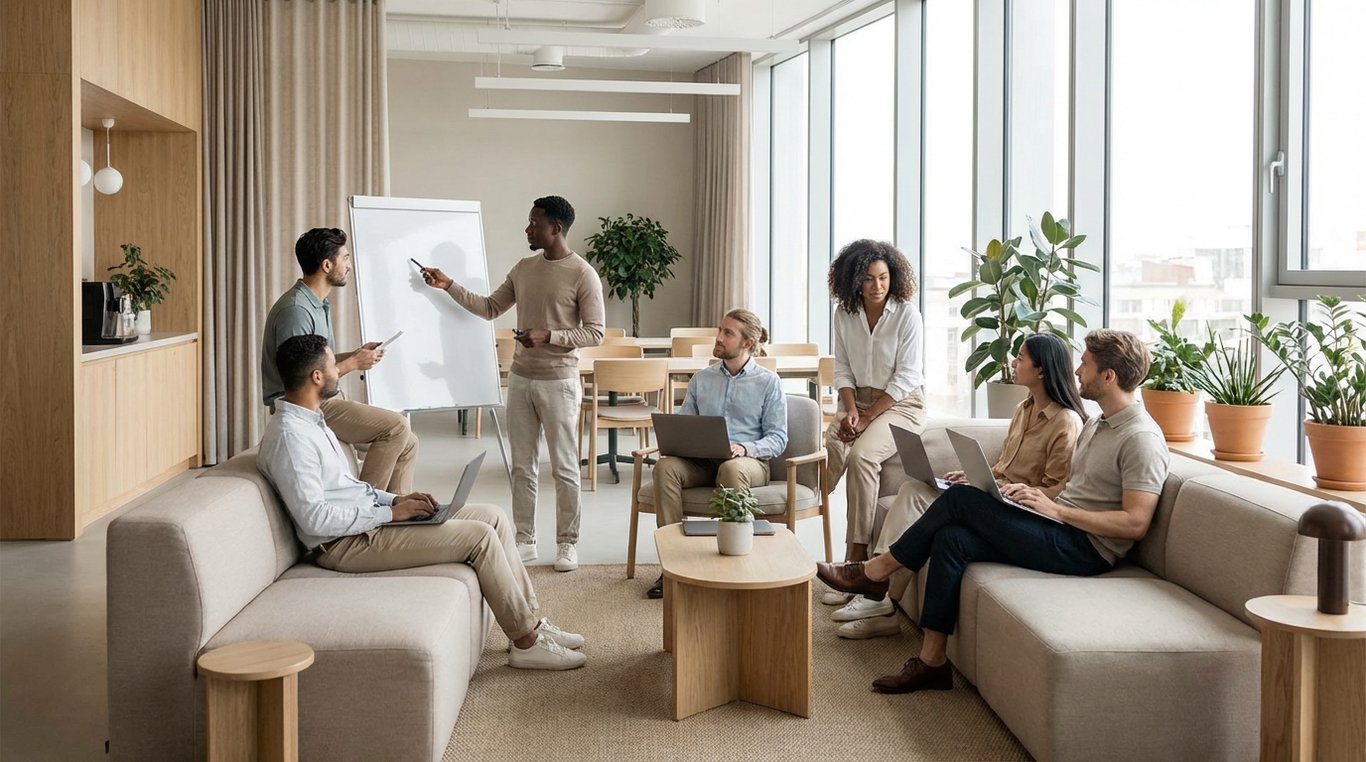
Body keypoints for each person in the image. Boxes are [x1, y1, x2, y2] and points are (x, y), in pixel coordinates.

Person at [817, 329, 1169, 694]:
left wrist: (1058, 511)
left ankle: (874, 573)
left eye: (1085, 364)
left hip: (1085, 548)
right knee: (951, 538)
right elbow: (1076, 487)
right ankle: (932, 662)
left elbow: (1135, 523)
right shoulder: (1099, 423)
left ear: (1108, 376)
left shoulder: (1140, 438)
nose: (1077, 371)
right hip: (1058, 525)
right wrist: (1034, 499)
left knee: (960, 501)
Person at [257, 334, 587, 671]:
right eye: (331, 366)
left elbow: (346, 488)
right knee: (479, 538)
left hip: (366, 523)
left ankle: (531, 621)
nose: (336, 371)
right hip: (344, 544)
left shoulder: (312, 421)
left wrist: (397, 499)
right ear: (315, 377)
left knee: (494, 517)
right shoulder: (290, 438)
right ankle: (526, 644)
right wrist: (389, 513)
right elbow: (315, 519)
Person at [839, 332, 1086, 639]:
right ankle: (878, 592)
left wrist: (1006, 489)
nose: (1013, 362)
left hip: (1023, 513)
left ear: (1041, 369)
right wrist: (977, 477)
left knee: (951, 513)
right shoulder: (1023, 409)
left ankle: (876, 587)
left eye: (1021, 357)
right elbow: (1003, 468)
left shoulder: (1066, 422)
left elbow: (1056, 490)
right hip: (994, 496)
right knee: (913, 489)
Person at [420, 196, 604, 573]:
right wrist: (449, 284)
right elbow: (489, 307)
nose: (527, 229)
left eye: (534, 223)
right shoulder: (524, 268)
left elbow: (596, 332)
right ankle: (525, 539)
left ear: (556, 228)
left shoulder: (582, 273)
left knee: (565, 468)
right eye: (529, 222)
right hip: (521, 380)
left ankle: (567, 543)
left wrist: (549, 336)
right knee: (522, 467)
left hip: (560, 383)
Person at [261, 227, 419, 494]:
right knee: (396, 426)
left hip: (322, 398)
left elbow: (316, 362)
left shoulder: (317, 303)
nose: (348, 265)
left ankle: (395, 513)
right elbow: (304, 378)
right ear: (326, 265)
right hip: (306, 405)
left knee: (409, 442)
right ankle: (365, 505)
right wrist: (355, 363)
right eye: (345, 258)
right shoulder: (297, 310)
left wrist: (355, 354)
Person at [644, 309, 788, 599]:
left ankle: (736, 564)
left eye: (728, 333)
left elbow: (778, 438)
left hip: (748, 463)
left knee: (731, 470)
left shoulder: (768, 382)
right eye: (720, 330)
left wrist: (744, 448)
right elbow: (686, 425)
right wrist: (678, 442)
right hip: (703, 461)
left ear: (747, 343)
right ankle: (674, 565)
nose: (718, 337)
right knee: (665, 467)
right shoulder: (702, 379)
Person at [821, 240, 927, 624]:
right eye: (869, 279)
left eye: (883, 277)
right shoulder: (844, 314)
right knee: (832, 452)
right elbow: (844, 370)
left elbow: (906, 377)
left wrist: (865, 421)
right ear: (855, 281)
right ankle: (834, 550)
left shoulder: (906, 315)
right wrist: (850, 411)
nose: (877, 285)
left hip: (901, 403)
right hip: (857, 402)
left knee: (863, 455)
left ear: (893, 277)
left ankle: (856, 562)